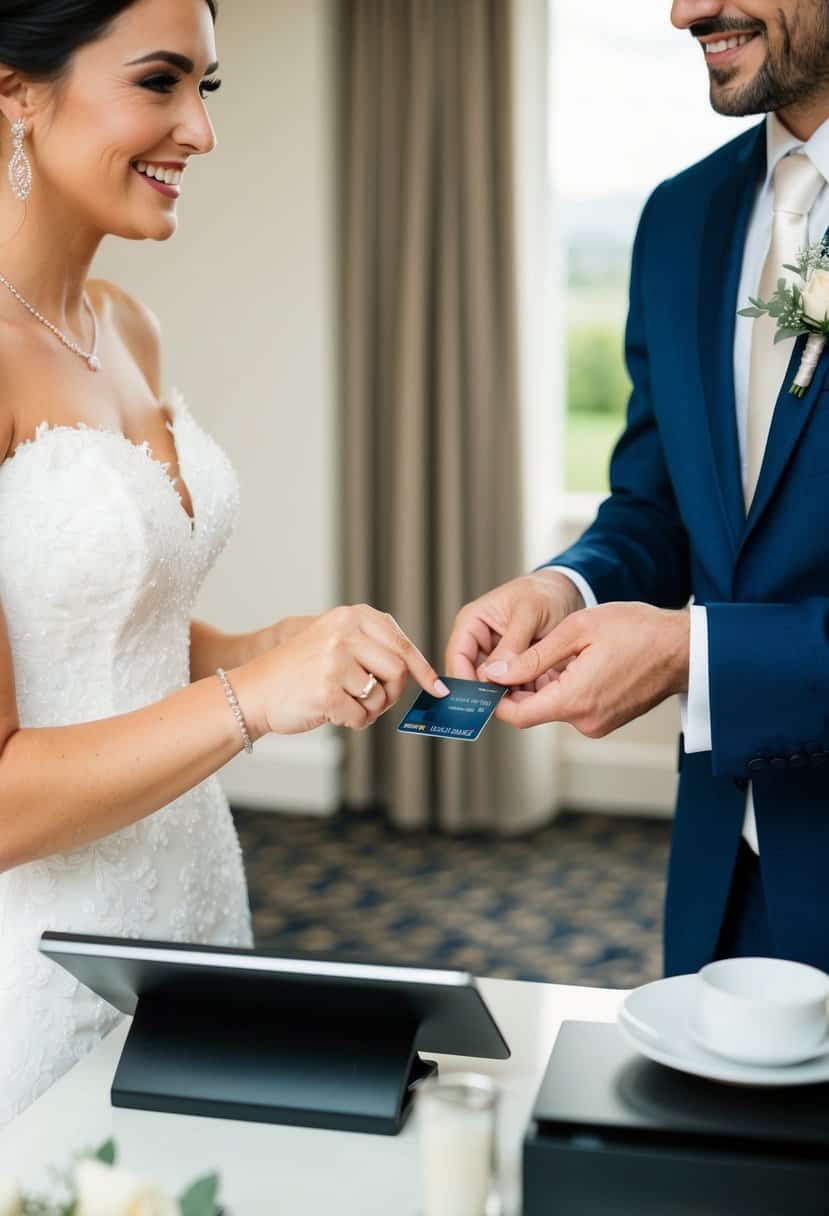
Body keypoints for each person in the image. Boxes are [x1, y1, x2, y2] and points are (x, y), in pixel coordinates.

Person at [0, 0, 449, 1125]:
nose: (198, 131)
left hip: (187, 900)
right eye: (160, 83)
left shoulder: (123, 323)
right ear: (15, 91)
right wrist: (252, 700)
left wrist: (273, 648)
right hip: (39, 952)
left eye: (208, 89)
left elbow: (96, 627)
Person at [448, 0, 829, 978]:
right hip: (724, 873)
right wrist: (565, 588)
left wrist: (688, 655)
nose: (683, 11)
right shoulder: (678, 218)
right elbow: (657, 503)